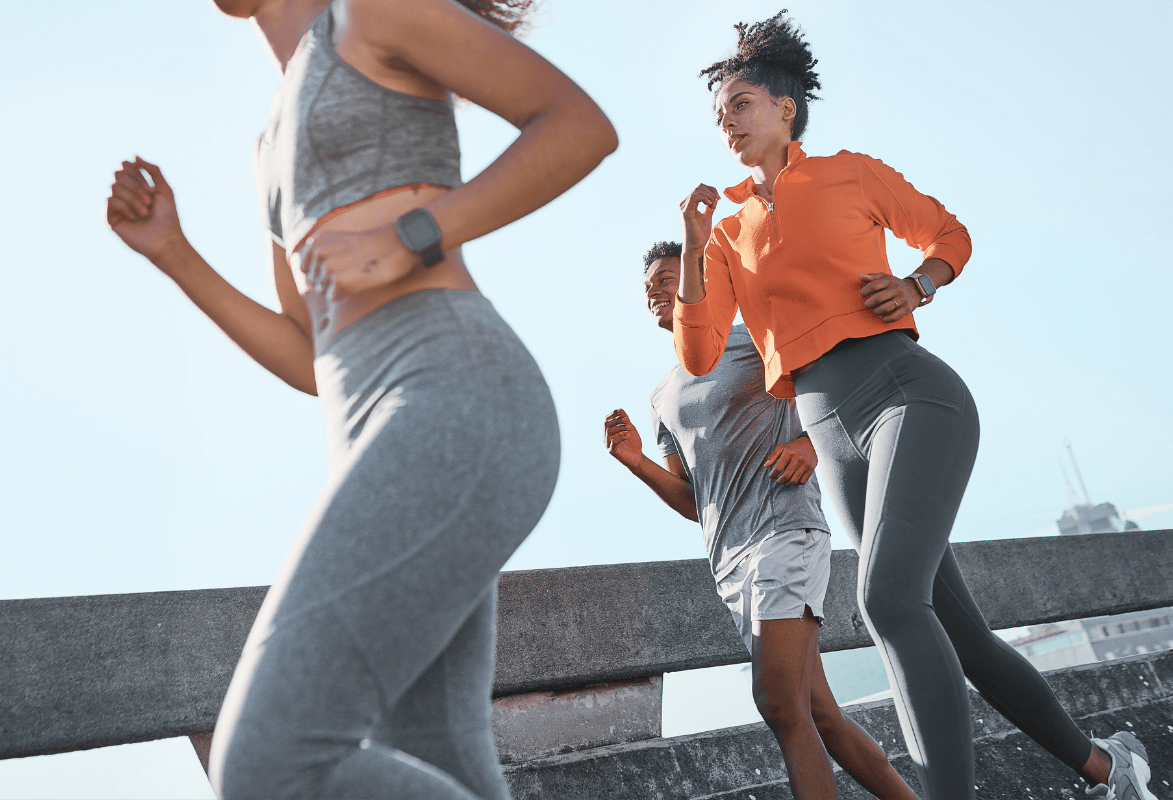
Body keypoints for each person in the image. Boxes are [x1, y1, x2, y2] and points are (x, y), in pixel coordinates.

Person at [103, 0, 617, 796]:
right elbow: (309, 355)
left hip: (459, 398)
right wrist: (176, 255)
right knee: (441, 756)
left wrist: (413, 233)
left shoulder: (371, 13)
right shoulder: (269, 139)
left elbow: (579, 124)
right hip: (387, 434)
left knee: (270, 764)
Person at [672, 12, 1154, 800]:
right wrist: (692, 244)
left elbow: (949, 233)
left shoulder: (849, 174)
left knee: (888, 598)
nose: (725, 122)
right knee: (954, 629)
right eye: (720, 112)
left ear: (785, 108)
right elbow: (697, 355)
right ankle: (1113, 769)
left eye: (739, 104)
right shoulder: (726, 234)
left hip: (909, 396)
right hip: (834, 435)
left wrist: (917, 283)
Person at [603, 241, 920, 800]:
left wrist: (809, 444)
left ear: (701, 281)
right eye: (648, 282)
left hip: (786, 532)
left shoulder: (755, 335)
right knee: (816, 711)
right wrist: (636, 463)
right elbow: (691, 500)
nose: (653, 288)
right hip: (730, 563)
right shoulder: (661, 396)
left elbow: (844, 390)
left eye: (667, 277)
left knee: (777, 703)